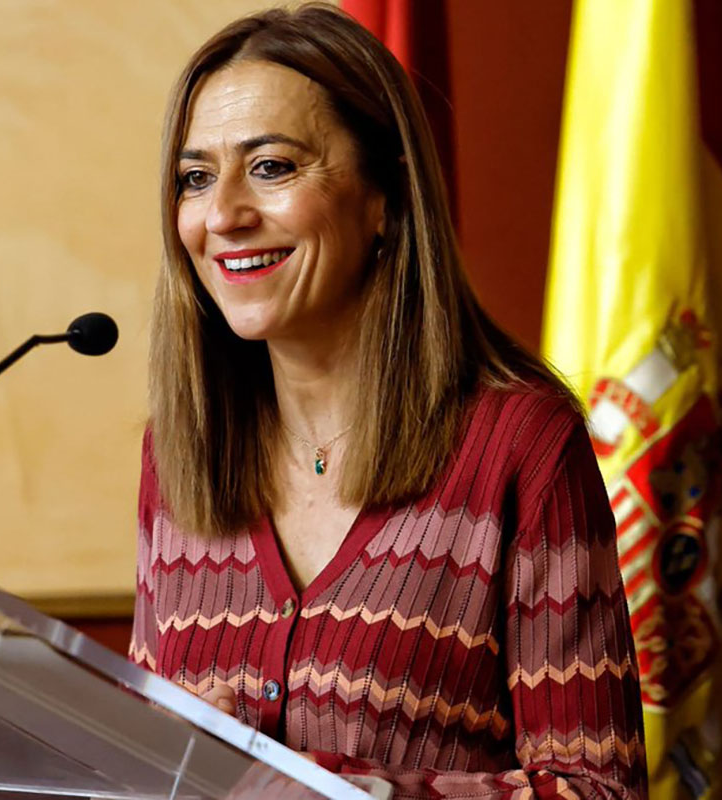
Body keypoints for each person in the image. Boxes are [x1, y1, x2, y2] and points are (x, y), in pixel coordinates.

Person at [129, 5, 647, 798]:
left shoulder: (520, 444)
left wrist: (362, 794)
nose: (223, 215)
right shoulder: (178, 451)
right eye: (195, 178)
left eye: (271, 167)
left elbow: (601, 790)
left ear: (387, 197)